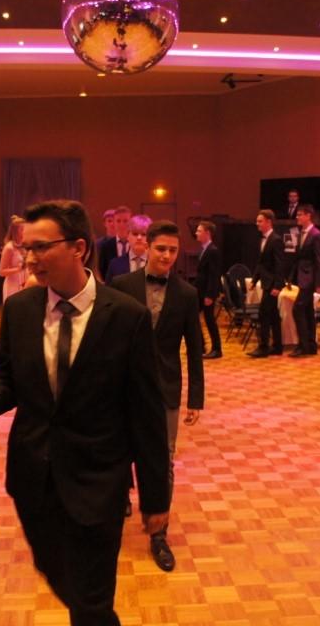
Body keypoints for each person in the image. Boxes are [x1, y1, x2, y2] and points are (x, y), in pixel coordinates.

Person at [0, 199, 169, 626]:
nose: (30, 258)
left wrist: (155, 500)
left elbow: (147, 415)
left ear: (78, 248)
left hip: (98, 482)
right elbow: (8, 382)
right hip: (34, 480)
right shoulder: (21, 310)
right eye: (28, 248)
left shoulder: (126, 317)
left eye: (41, 247)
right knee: (61, 577)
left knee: (91, 602)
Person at [110, 220, 204, 573]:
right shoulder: (122, 286)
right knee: (118, 450)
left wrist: (196, 399)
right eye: (161, 248)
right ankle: (120, 499)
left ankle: (159, 533)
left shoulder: (187, 294)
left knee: (163, 460)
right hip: (123, 386)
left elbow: (194, 349)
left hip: (165, 388)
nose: (166, 255)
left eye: (173, 250)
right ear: (146, 247)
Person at [247, 209, 286, 358]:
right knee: (274, 315)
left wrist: (277, 286)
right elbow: (261, 263)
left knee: (264, 314)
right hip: (266, 282)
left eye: (260, 221)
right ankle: (277, 346)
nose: (257, 223)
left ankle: (263, 347)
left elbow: (280, 265)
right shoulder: (263, 239)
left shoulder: (276, 240)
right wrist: (254, 279)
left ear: (269, 222)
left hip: (272, 284)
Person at [289, 205, 320, 357]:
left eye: (300, 214)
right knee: (308, 311)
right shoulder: (300, 233)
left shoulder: (316, 235)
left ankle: (303, 345)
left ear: (308, 216)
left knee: (297, 309)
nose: (297, 217)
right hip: (302, 277)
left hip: (309, 279)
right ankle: (311, 345)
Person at [195, 220, 222, 359]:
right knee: (194, 317)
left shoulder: (213, 251)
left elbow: (214, 275)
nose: (196, 233)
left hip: (207, 293)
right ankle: (200, 346)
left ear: (207, 233)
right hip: (200, 291)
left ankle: (217, 349)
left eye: (199, 231)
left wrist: (210, 295)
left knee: (210, 320)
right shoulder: (204, 249)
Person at [104, 214, 151, 283]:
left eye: (143, 234)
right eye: (135, 234)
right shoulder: (115, 264)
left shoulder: (156, 264)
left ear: (150, 238)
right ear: (128, 236)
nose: (139, 238)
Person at [0, 215, 28, 302]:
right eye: (22, 229)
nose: (25, 231)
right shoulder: (9, 247)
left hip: (25, 282)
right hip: (13, 286)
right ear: (15, 231)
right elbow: (1, 272)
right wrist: (18, 269)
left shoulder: (24, 245)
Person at [97, 205, 132, 278]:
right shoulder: (106, 246)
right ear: (114, 223)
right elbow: (102, 271)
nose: (122, 224)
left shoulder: (135, 244)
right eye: (118, 221)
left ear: (131, 223)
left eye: (125, 221)